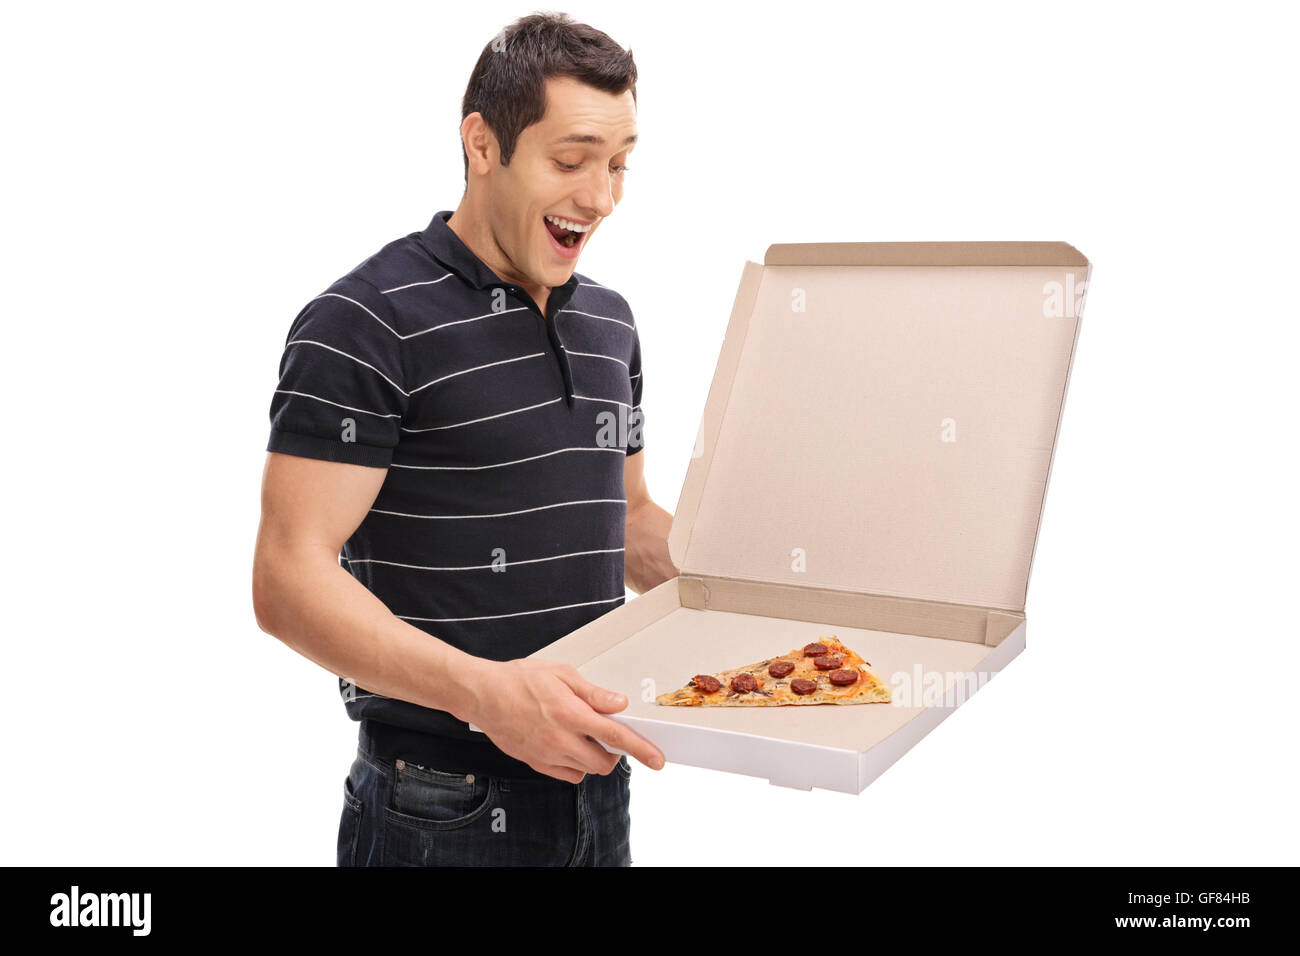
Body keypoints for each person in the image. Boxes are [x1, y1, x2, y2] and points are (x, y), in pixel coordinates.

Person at [251, 13, 677, 867]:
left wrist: (765, 572)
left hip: (604, 786)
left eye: (620, 163)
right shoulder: (364, 322)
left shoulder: (611, 324)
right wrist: (489, 696)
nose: (601, 196)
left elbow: (625, 522)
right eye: (571, 159)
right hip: (437, 807)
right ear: (483, 144)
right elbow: (287, 579)